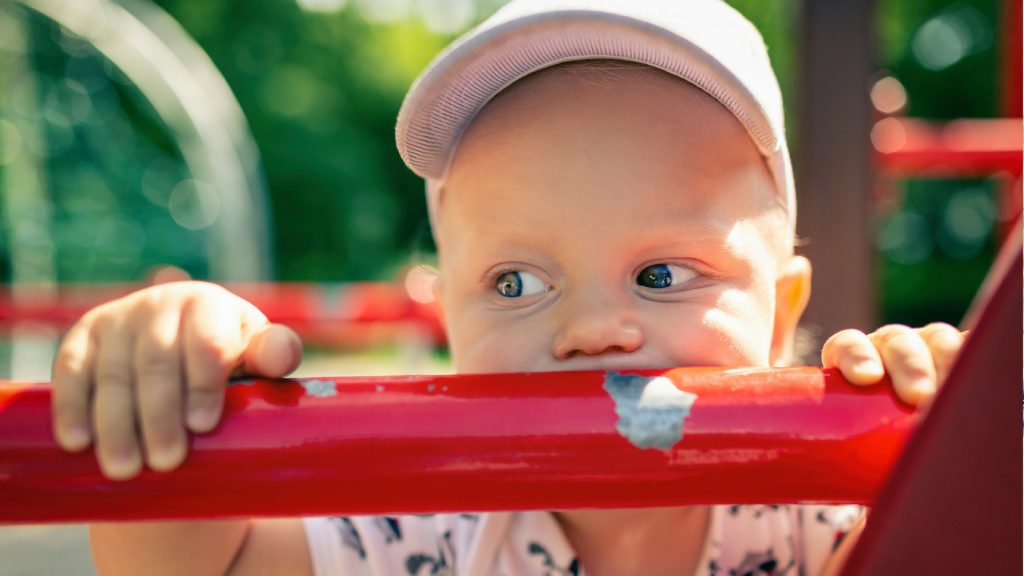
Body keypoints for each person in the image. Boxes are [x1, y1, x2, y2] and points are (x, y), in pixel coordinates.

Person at [51, 1, 966, 574]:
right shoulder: (430, 523)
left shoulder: (822, 515)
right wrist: (175, 396)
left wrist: (951, 454)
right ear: (446, 314)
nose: (591, 329)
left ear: (785, 316)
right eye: (517, 281)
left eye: (660, 274)